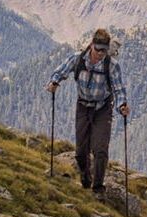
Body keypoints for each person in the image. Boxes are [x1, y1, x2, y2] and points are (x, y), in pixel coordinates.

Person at [46, 28, 130, 195]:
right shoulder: (78, 59)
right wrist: (54, 82)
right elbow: (60, 71)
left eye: (104, 50)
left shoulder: (112, 65)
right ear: (91, 45)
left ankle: (98, 188)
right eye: (98, 49)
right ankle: (85, 177)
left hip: (102, 108)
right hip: (83, 106)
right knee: (81, 151)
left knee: (100, 149)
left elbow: (119, 89)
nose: (100, 53)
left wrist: (122, 106)